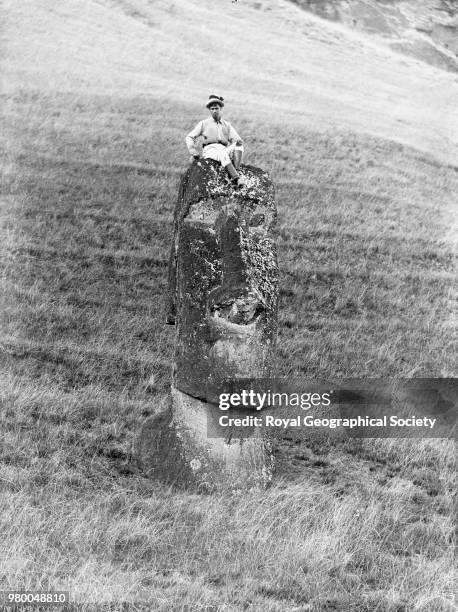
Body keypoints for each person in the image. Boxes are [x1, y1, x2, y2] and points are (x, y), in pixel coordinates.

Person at [185, 94, 246, 187]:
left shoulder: (227, 125)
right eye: (212, 109)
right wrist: (192, 150)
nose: (214, 111)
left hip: (223, 149)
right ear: (209, 110)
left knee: (239, 144)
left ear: (220, 109)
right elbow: (189, 137)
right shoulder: (204, 123)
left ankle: (235, 171)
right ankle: (236, 178)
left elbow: (237, 139)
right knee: (223, 154)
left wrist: (237, 142)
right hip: (210, 150)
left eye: (216, 108)